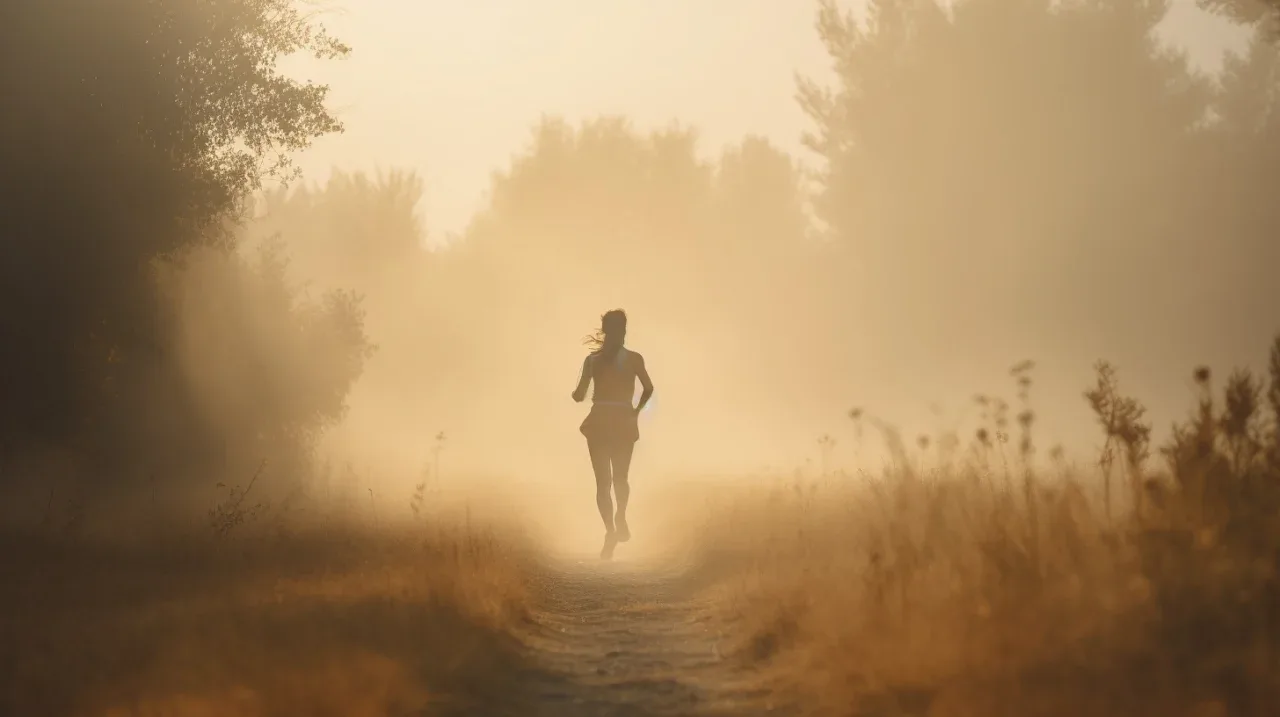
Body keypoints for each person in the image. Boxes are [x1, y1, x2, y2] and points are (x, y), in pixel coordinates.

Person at [571, 309, 653, 560]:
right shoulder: (635, 359)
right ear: (624, 330)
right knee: (620, 477)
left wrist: (579, 393)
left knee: (602, 482)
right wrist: (636, 411)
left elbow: (579, 395)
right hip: (622, 421)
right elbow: (648, 389)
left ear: (605, 330)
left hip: (599, 421)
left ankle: (610, 530)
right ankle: (621, 517)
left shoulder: (592, 361)